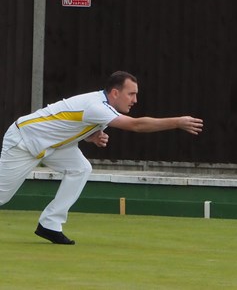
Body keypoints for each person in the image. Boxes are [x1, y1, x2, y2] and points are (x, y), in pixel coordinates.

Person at [0, 71, 203, 245]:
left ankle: (49, 225)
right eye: (131, 94)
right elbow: (136, 125)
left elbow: (70, 123)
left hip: (53, 145)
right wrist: (177, 122)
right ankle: (49, 224)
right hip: (24, 140)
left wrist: (91, 137)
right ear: (115, 93)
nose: (135, 100)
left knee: (81, 168)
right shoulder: (96, 105)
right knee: (2, 196)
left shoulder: (104, 106)